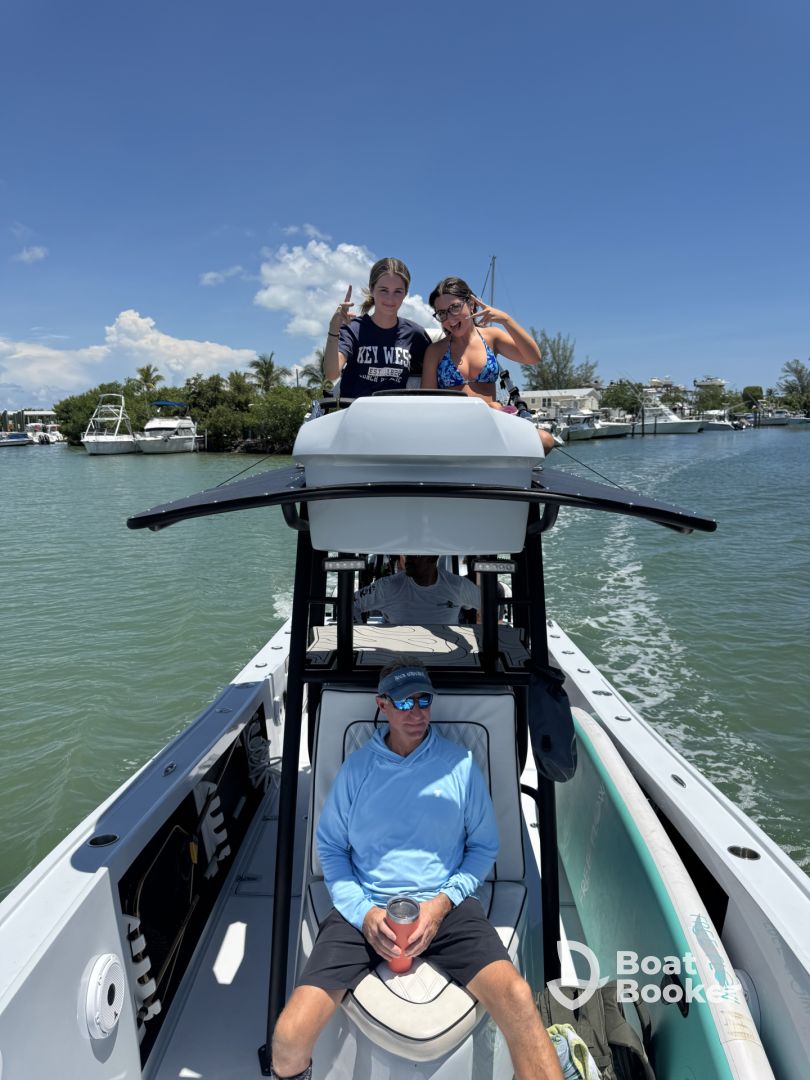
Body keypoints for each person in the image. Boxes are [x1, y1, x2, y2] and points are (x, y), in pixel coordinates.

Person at [270, 659, 563, 1080]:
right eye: (404, 702)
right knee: (287, 1038)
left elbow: (484, 847)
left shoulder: (460, 765)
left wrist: (441, 905)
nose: (417, 711)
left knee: (517, 996)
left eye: (423, 700)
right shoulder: (357, 770)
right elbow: (331, 849)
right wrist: (364, 914)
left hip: (446, 907)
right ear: (382, 705)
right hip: (366, 907)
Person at [421, 276, 557, 454]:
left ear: (471, 304)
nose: (449, 318)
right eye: (442, 313)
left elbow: (533, 357)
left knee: (546, 441)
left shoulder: (492, 337)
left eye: (454, 307)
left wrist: (505, 320)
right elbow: (427, 401)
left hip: (494, 421)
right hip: (454, 425)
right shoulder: (435, 351)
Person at [323, 257, 431, 398]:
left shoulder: (415, 334)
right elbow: (331, 374)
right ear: (372, 289)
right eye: (384, 290)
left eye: (398, 291)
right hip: (354, 410)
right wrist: (334, 329)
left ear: (405, 293)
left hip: (395, 411)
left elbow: (437, 369)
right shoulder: (353, 329)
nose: (390, 299)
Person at [354, 554, 480, 624]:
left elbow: (487, 604)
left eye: (416, 554)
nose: (409, 558)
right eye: (407, 553)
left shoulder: (458, 586)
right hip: (399, 659)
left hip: (446, 658)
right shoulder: (388, 586)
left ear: (433, 557)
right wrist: (357, 636)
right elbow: (352, 603)